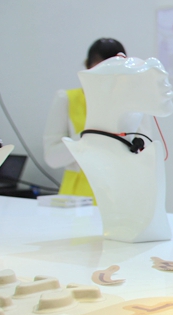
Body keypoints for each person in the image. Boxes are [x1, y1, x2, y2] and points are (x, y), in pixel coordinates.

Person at [43, 38, 127, 199]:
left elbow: (142, 155)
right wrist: (89, 136)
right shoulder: (66, 99)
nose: (107, 78)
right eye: (101, 70)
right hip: (76, 199)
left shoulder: (131, 104)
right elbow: (52, 158)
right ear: (88, 67)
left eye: (114, 72)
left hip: (118, 195)